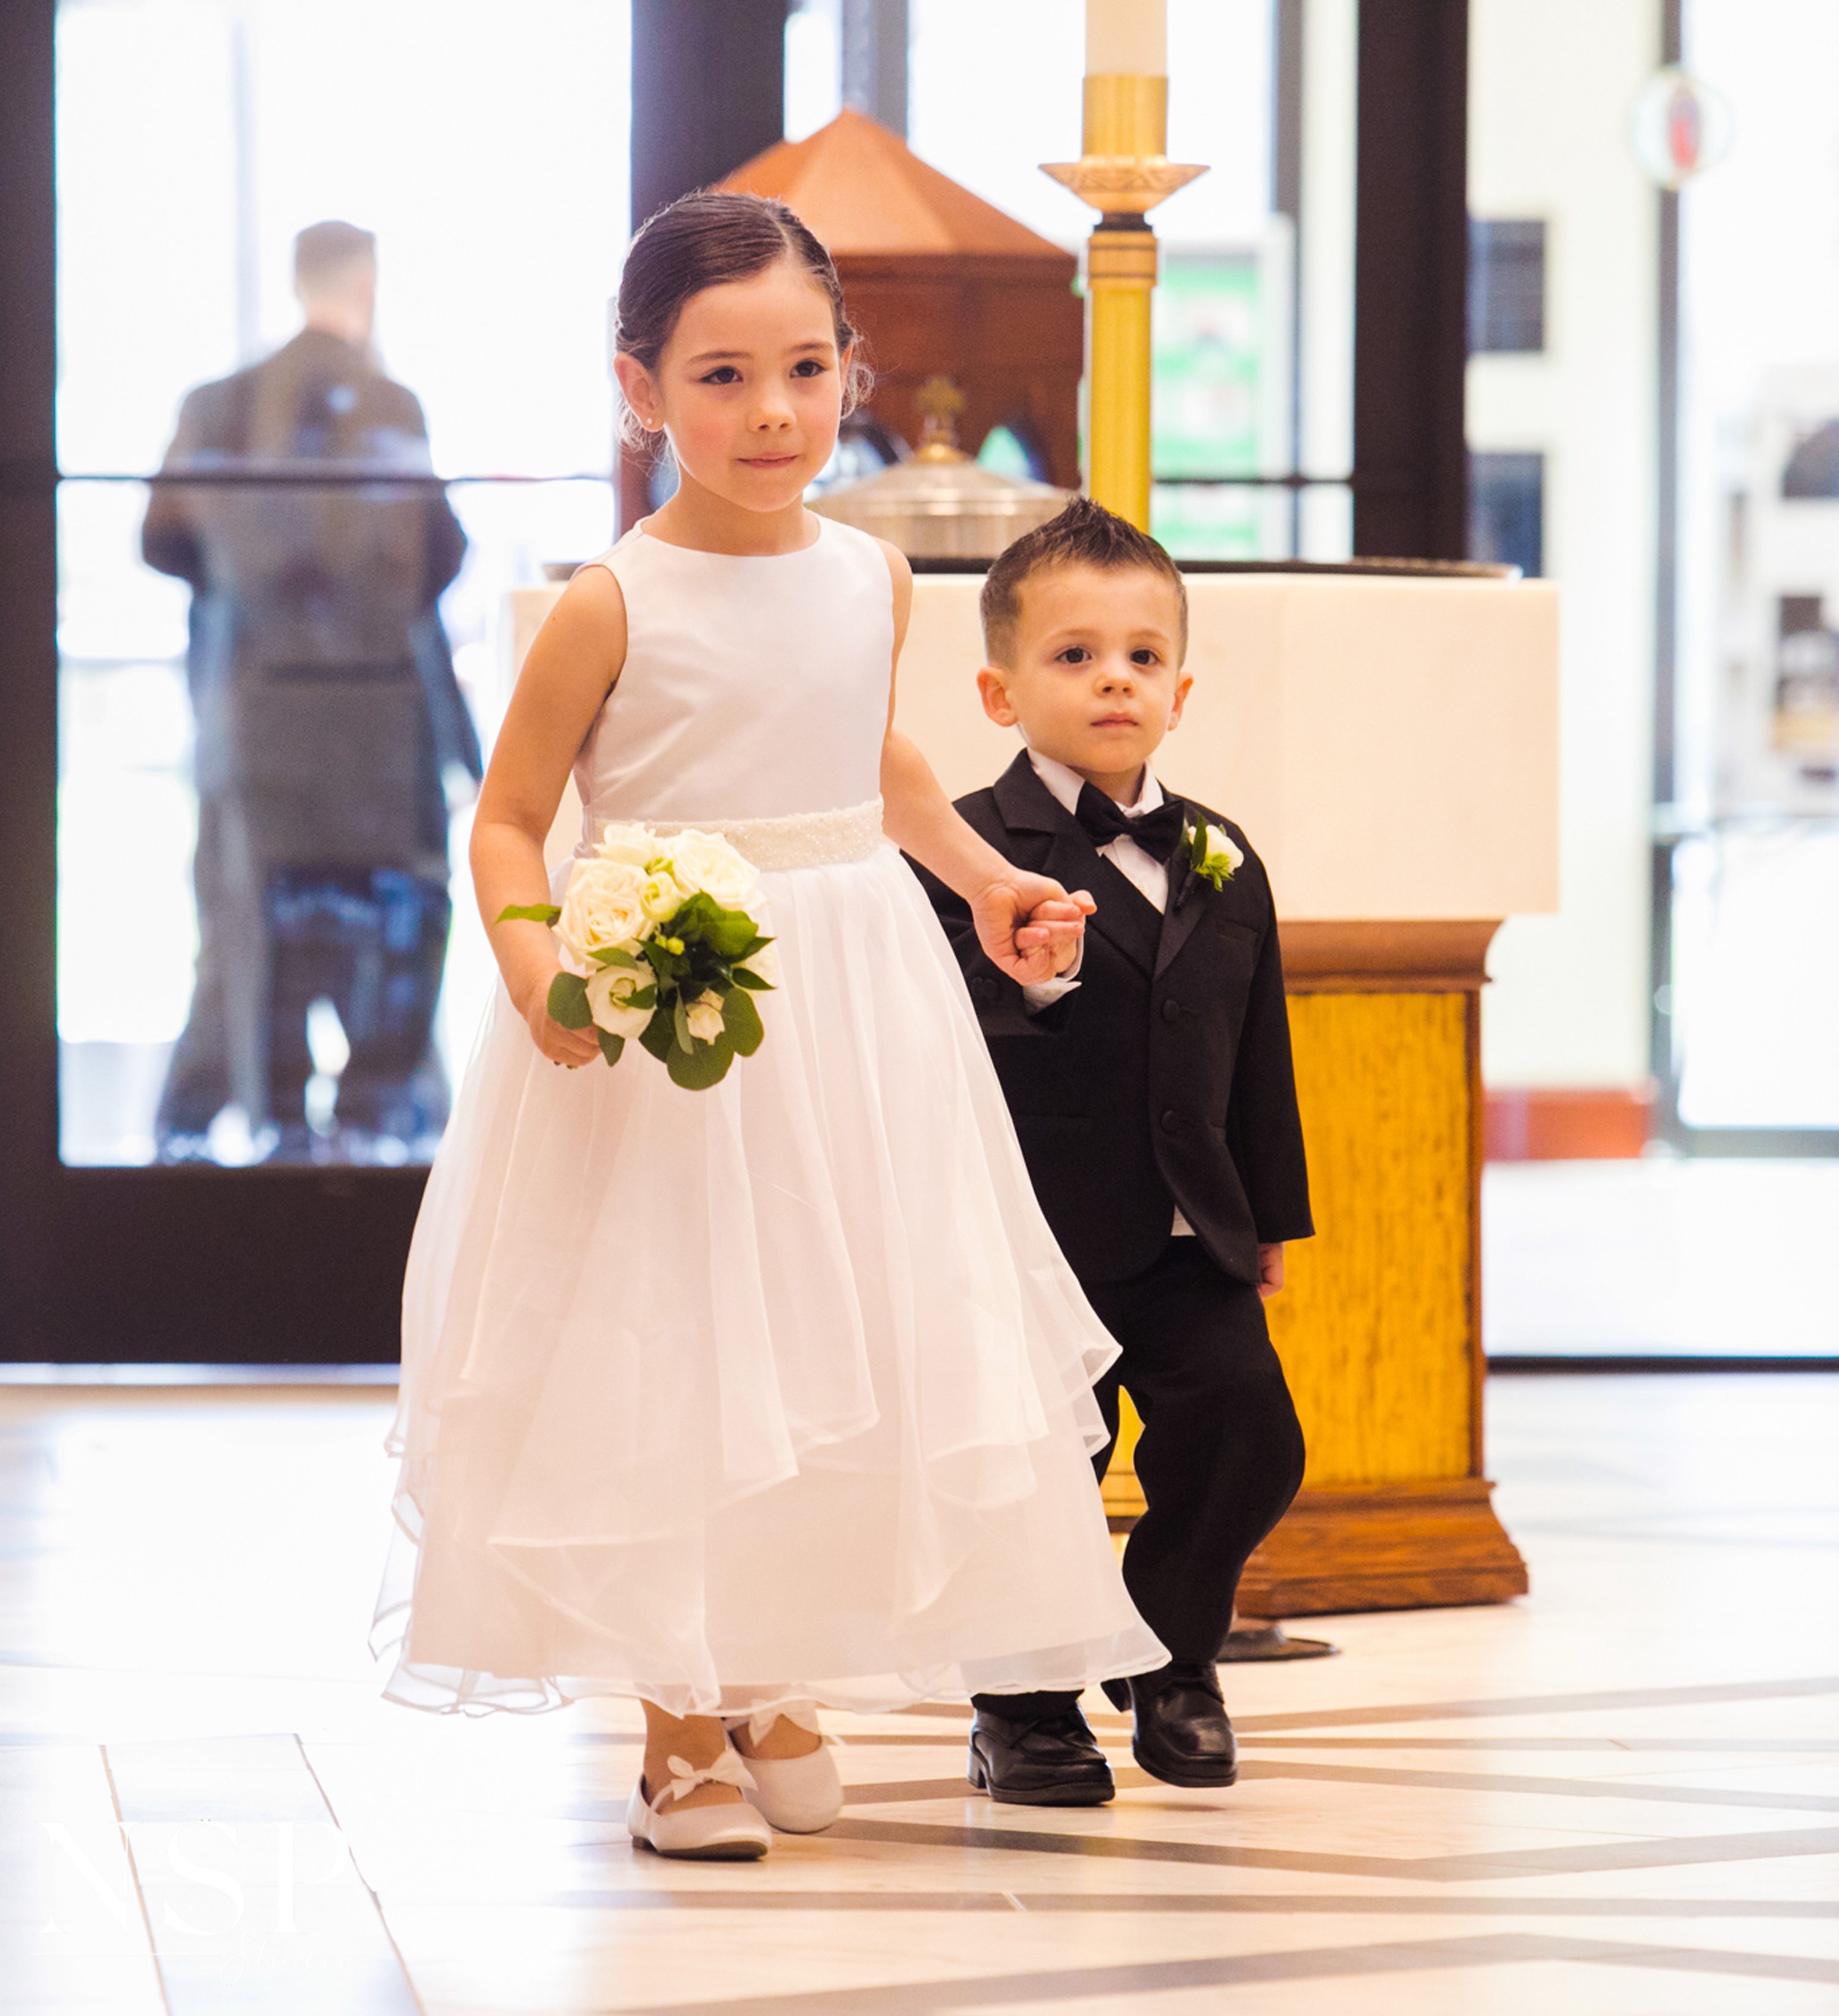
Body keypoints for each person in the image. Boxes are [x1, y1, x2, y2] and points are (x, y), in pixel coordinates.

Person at [371, 192, 1165, 1862]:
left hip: (855, 1002)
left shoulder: (871, 575)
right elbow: (510, 819)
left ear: (851, 377)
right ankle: (674, 1714)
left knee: (834, 1333)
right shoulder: (612, 601)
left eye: (808, 368)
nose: (776, 413)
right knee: (671, 1341)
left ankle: (770, 1671)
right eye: (723, 377)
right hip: (671, 1009)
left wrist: (982, 880)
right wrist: (538, 972)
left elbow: (864, 761)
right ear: (640, 387)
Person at [912, 500, 1313, 1806]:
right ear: (999, 686)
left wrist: (1267, 1227)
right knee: (1040, 1469)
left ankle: (1168, 1648)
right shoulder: (955, 851)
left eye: (1142, 656)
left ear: (1182, 690)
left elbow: (1258, 1053)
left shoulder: (1224, 854)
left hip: (1189, 1237)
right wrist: (1029, 986)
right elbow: (926, 1040)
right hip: (1025, 1240)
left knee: (1251, 1433)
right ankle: (1023, 1708)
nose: (1113, 680)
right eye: (1074, 655)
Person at [142, 219, 480, 1162]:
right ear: (365, 284)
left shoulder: (216, 407)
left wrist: (247, 594)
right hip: (376, 718)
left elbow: (159, 541)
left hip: (256, 714)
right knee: (398, 911)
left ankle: (276, 1118)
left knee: (255, 916)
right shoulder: (391, 404)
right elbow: (438, 556)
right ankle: (372, 1113)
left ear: (297, 282)